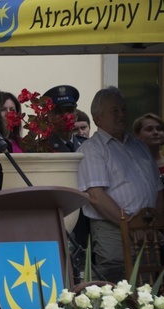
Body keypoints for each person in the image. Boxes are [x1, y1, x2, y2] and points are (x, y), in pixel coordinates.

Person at [77, 86, 163, 283]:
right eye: (114, 111)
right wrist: (132, 224)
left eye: (123, 109)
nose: (122, 114)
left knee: (151, 291)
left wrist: (154, 225)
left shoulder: (139, 146)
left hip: (150, 232)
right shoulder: (92, 149)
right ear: (97, 118)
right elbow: (96, 196)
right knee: (119, 294)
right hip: (114, 231)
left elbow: (158, 189)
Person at [43, 85, 84, 152]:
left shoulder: (86, 145)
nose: (66, 116)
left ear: (76, 116)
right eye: (59, 112)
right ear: (49, 117)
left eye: (69, 110)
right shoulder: (40, 148)